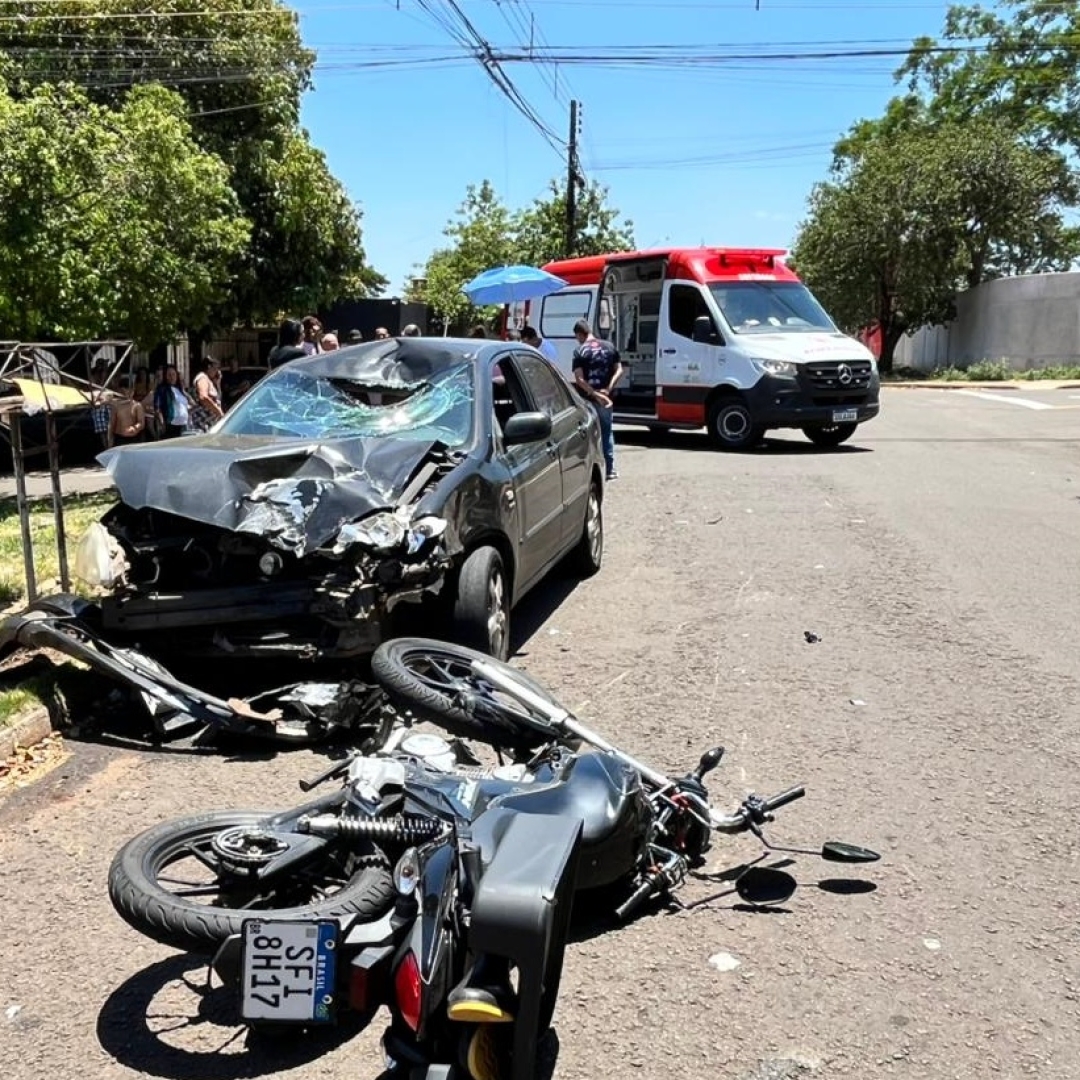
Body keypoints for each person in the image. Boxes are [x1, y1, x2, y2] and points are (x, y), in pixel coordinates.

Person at [571, 318, 623, 481]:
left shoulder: (579, 351)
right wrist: (607, 390)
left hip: (588, 399)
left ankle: (590, 472)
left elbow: (579, 379)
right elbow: (619, 370)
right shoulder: (609, 346)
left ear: (580, 334)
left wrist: (594, 394)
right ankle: (610, 469)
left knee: (588, 433)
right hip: (606, 398)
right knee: (607, 431)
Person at [108, 376, 146, 447]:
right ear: (120, 391)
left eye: (130, 390)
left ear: (133, 391)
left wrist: (135, 428)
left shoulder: (137, 405)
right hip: (119, 438)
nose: (128, 393)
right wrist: (110, 439)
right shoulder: (116, 406)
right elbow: (111, 424)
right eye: (123, 391)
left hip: (134, 438)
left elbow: (141, 422)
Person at [154, 364, 190, 438]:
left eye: (173, 374)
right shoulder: (162, 389)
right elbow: (157, 407)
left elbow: (187, 404)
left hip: (183, 425)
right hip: (170, 425)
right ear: (165, 376)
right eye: (169, 375)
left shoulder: (179, 389)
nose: (172, 377)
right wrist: (162, 422)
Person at [190, 357, 225, 432]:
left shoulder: (210, 380)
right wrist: (219, 412)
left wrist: (218, 383)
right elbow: (203, 397)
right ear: (209, 366)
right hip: (202, 424)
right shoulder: (202, 378)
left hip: (210, 424)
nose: (217, 371)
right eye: (216, 368)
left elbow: (218, 397)